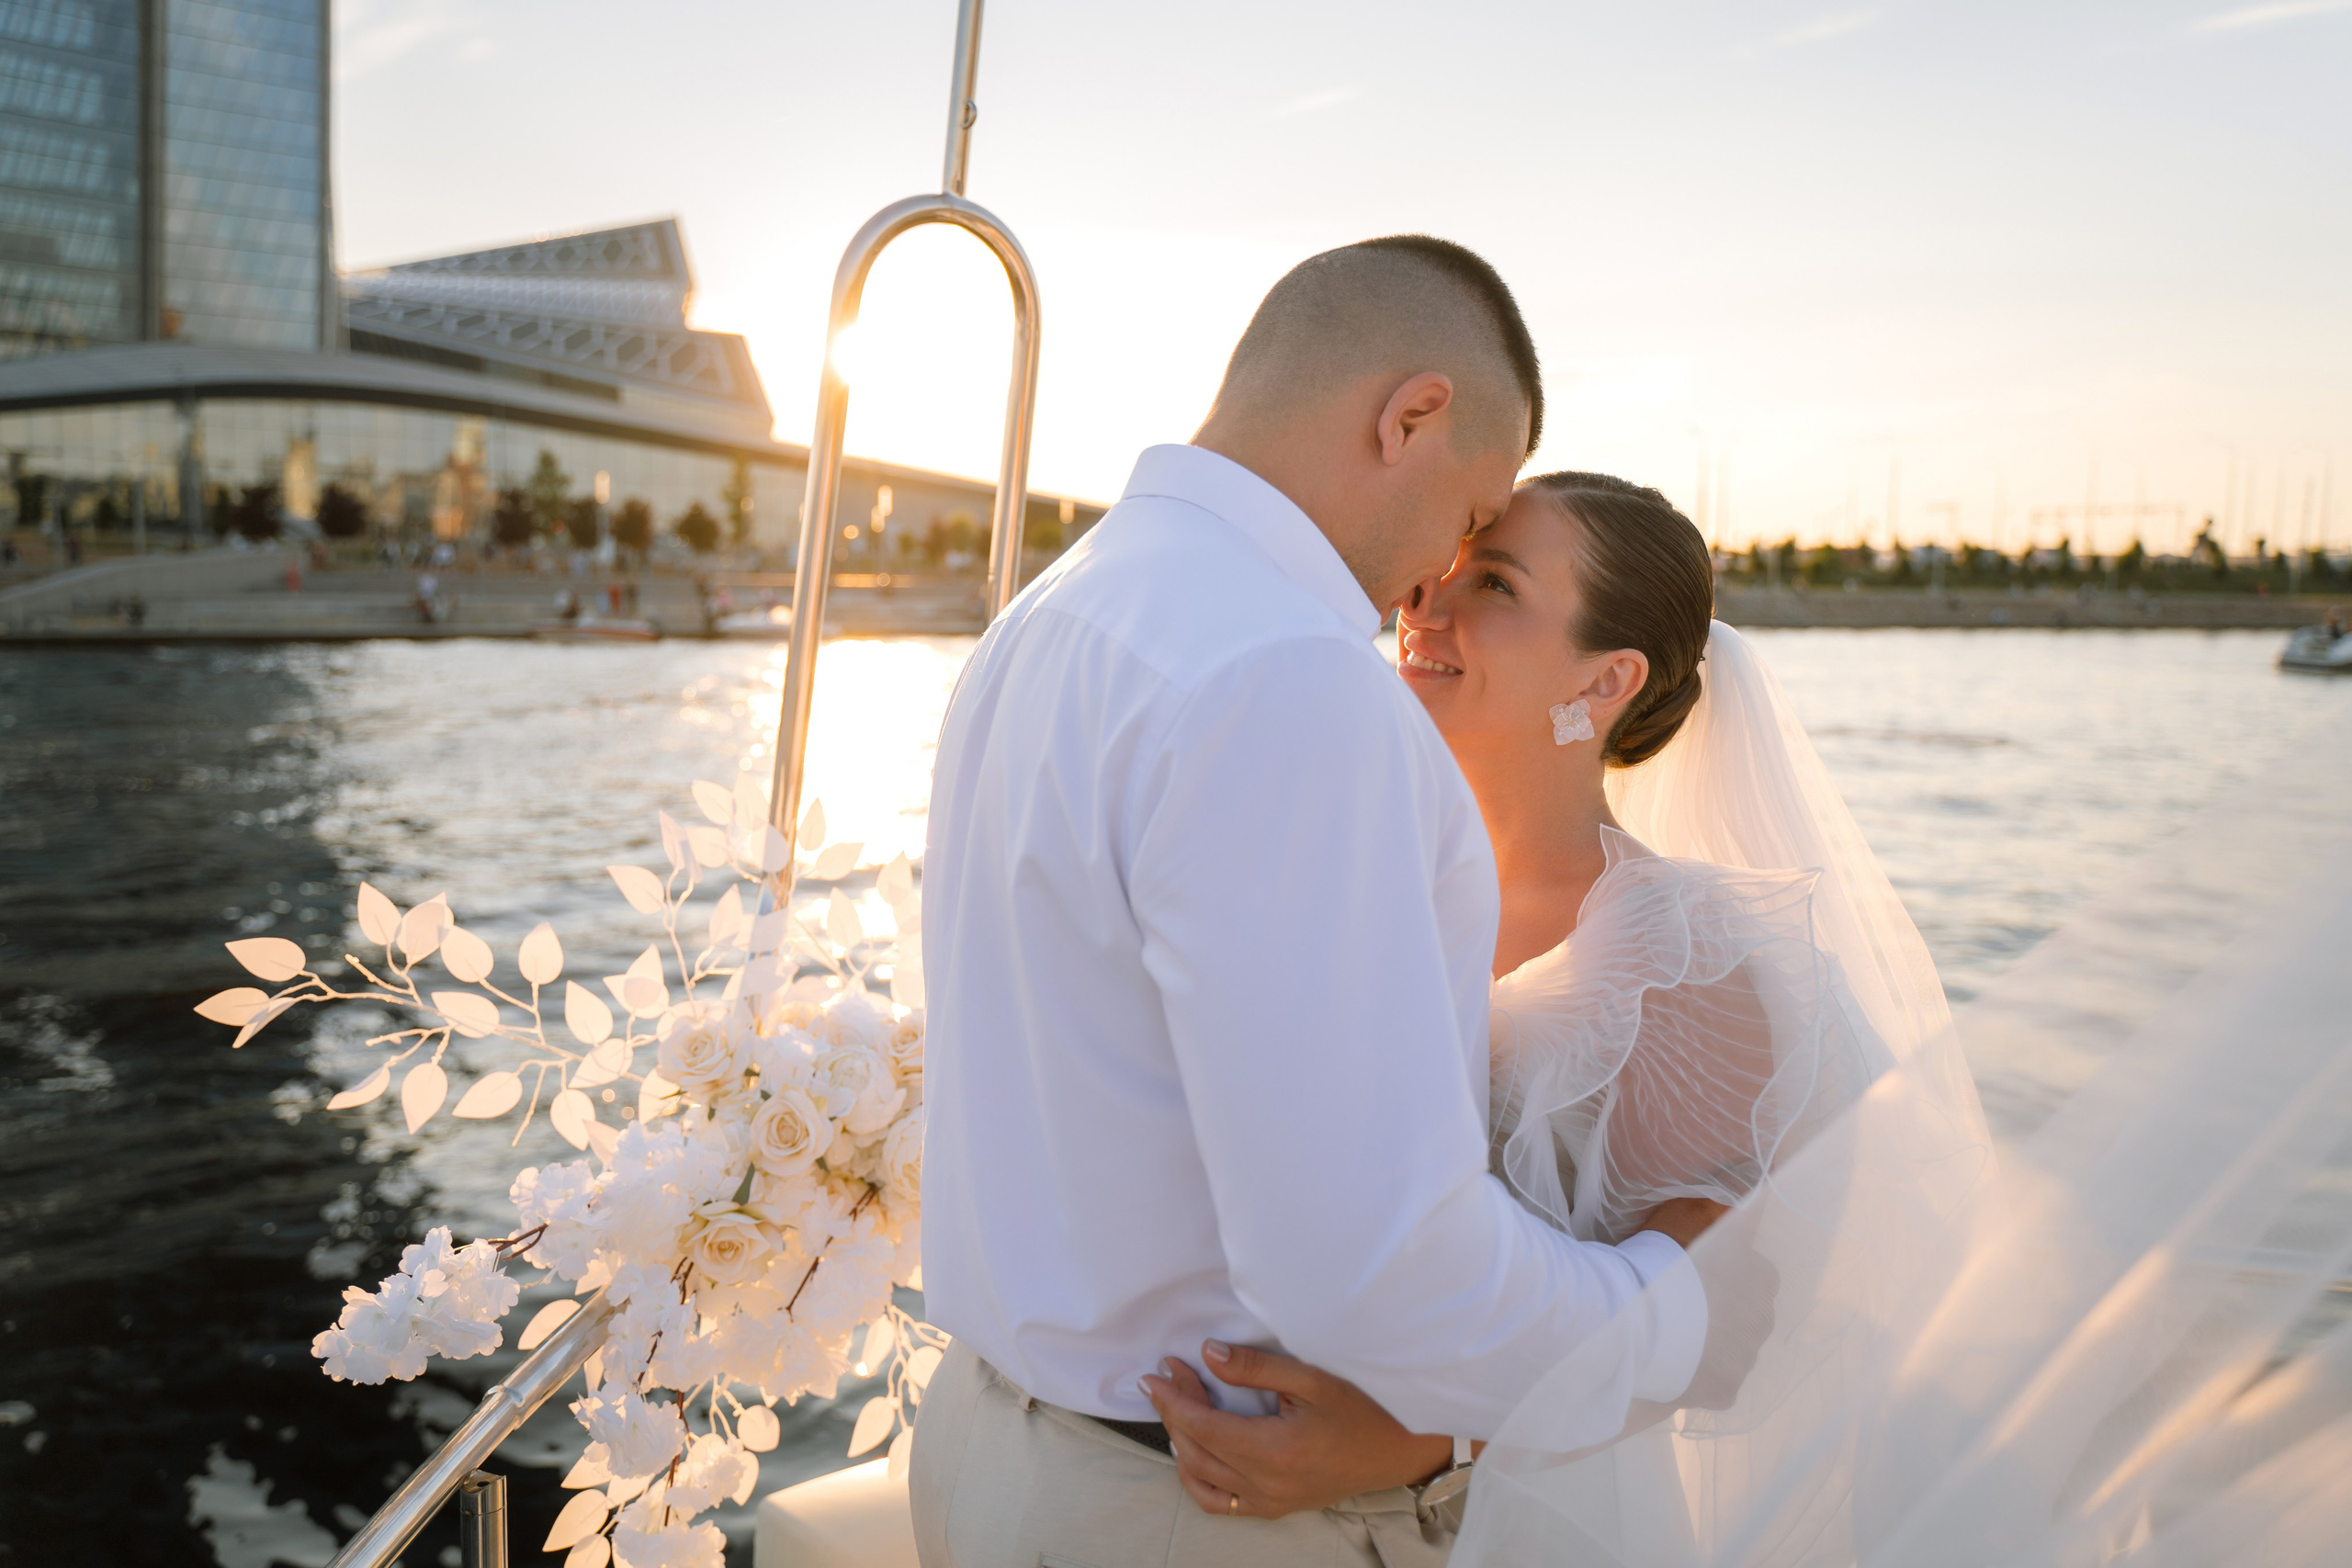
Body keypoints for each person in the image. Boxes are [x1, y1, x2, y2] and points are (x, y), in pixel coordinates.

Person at [911, 239, 1729, 1568]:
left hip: (991, 1450)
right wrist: (1671, 1298)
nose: (1434, 579)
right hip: (1189, 1511)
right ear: (1410, 416)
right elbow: (1374, 1272)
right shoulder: (1285, 674)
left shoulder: (1053, 613)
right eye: (1468, 514)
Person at [1137, 473, 1973, 1526]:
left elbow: (1724, 1319)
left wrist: (1415, 1446)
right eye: (1440, 570)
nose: (1422, 605)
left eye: (1490, 584)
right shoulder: (1336, 865)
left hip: (1528, 1522)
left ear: (1607, 678)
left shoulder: (1678, 965)